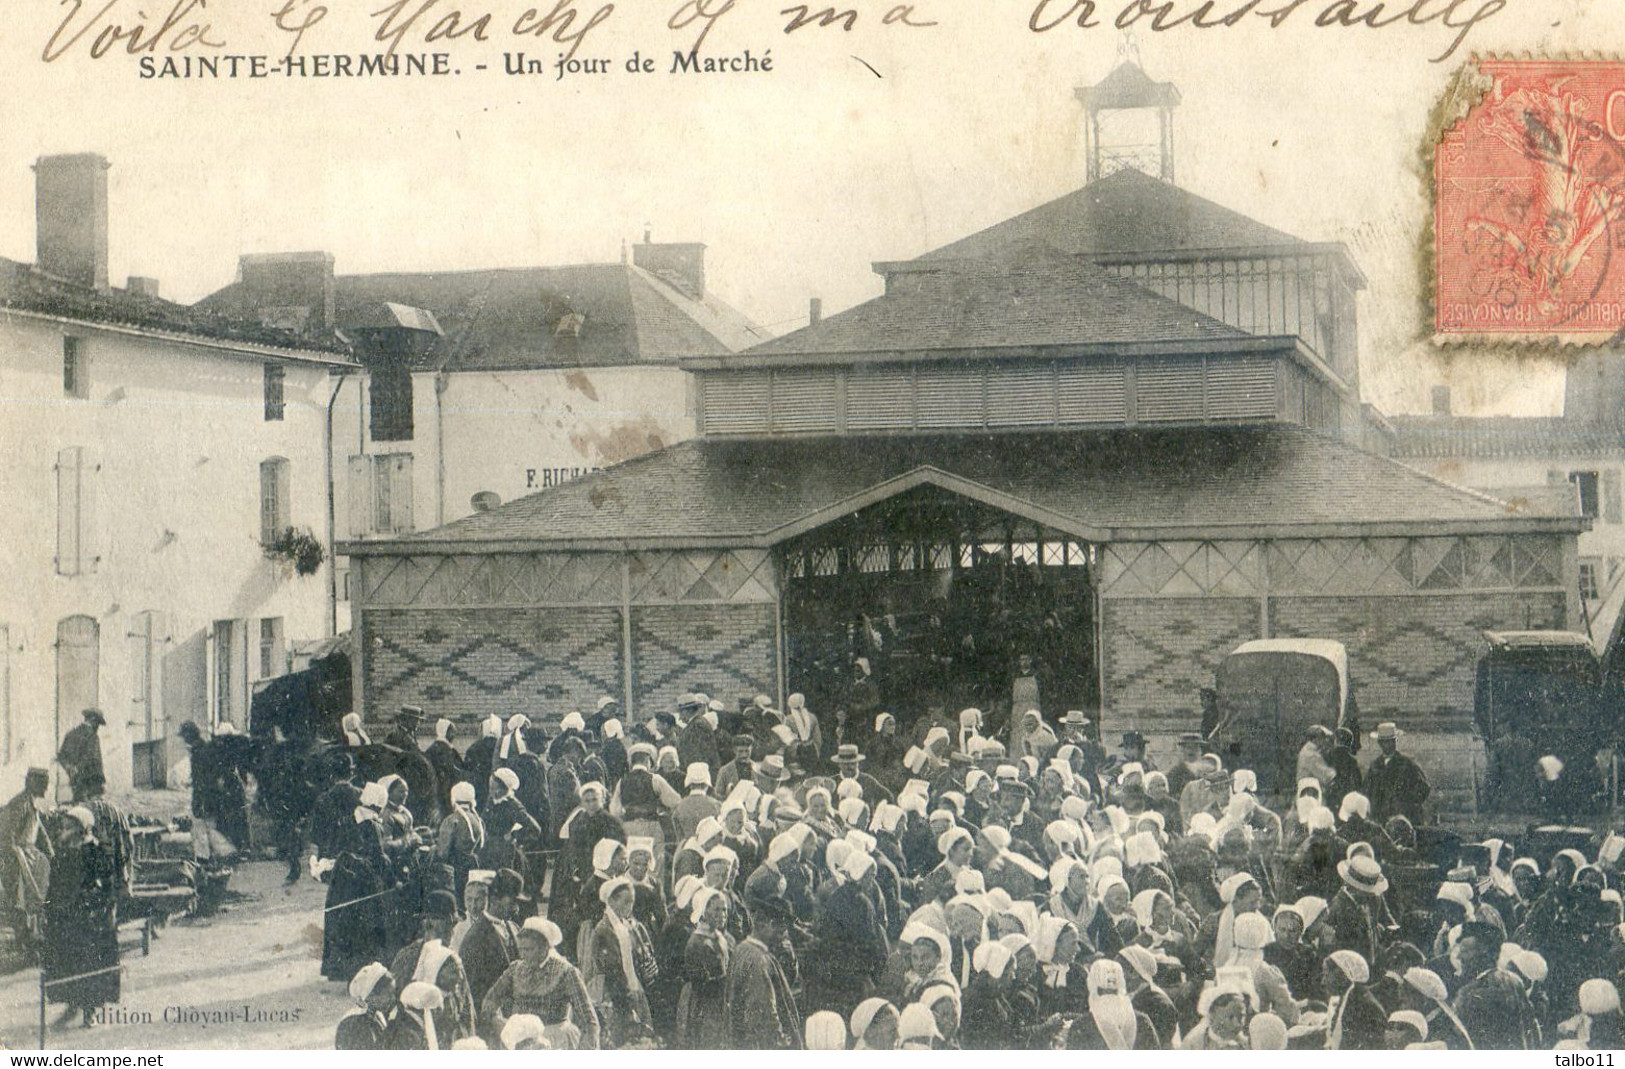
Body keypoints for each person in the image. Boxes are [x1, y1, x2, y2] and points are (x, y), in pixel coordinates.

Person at [41, 806, 119, 1029]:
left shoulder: (95, 851)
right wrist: (49, 907)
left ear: (82, 829)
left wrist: (97, 904)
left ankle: (90, 1009)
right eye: (64, 826)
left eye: (70, 827)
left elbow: (107, 885)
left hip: (91, 919)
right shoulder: (63, 852)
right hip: (67, 916)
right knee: (67, 960)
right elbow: (54, 884)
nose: (64, 831)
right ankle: (73, 1003)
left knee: (89, 962)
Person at [480, 915, 599, 1049]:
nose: (524, 955)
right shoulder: (515, 969)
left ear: (545, 947)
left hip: (556, 1043)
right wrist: (503, 1026)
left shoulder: (566, 972)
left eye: (529, 949)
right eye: (521, 950)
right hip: (520, 1044)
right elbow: (490, 1001)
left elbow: (588, 1020)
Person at [322, 781, 394, 983]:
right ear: (379, 804)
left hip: (342, 879)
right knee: (367, 924)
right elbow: (379, 858)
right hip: (364, 881)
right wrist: (391, 878)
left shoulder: (346, 820)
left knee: (344, 923)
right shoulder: (372, 825)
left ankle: (341, 969)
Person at [389, 889, 475, 1045]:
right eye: (451, 925)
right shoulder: (449, 959)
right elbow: (467, 1011)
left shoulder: (405, 955)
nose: (453, 932)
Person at [726, 895, 802, 1048]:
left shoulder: (742, 949)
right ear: (765, 924)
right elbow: (764, 1015)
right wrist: (781, 1042)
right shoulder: (759, 960)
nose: (783, 936)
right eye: (780, 929)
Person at [676, 886, 735, 1048]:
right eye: (716, 910)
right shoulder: (696, 942)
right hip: (704, 1005)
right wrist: (730, 979)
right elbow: (701, 983)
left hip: (720, 1002)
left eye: (724, 910)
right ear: (704, 911)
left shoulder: (721, 937)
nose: (722, 915)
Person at [459, 867, 523, 1010]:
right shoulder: (475, 936)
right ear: (494, 900)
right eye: (512, 902)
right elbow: (473, 990)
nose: (516, 908)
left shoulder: (514, 927)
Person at [1364, 723, 1431, 826]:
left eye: (1391, 741)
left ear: (1395, 741)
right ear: (1379, 743)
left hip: (1404, 819)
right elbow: (1366, 791)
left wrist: (1406, 803)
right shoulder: (1375, 766)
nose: (1388, 745)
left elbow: (1424, 787)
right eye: (1384, 741)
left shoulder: (1407, 764)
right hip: (1381, 819)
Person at [336, 963, 396, 1049]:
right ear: (371, 996)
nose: (393, 999)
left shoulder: (376, 1015)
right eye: (388, 994)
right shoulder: (353, 1025)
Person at [56, 709, 106, 803]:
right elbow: (91, 757)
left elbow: (61, 756)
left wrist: (69, 768)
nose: (98, 727)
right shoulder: (93, 737)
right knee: (92, 808)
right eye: (97, 723)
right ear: (92, 720)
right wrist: (77, 768)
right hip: (92, 780)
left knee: (79, 803)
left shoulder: (71, 734)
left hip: (76, 779)